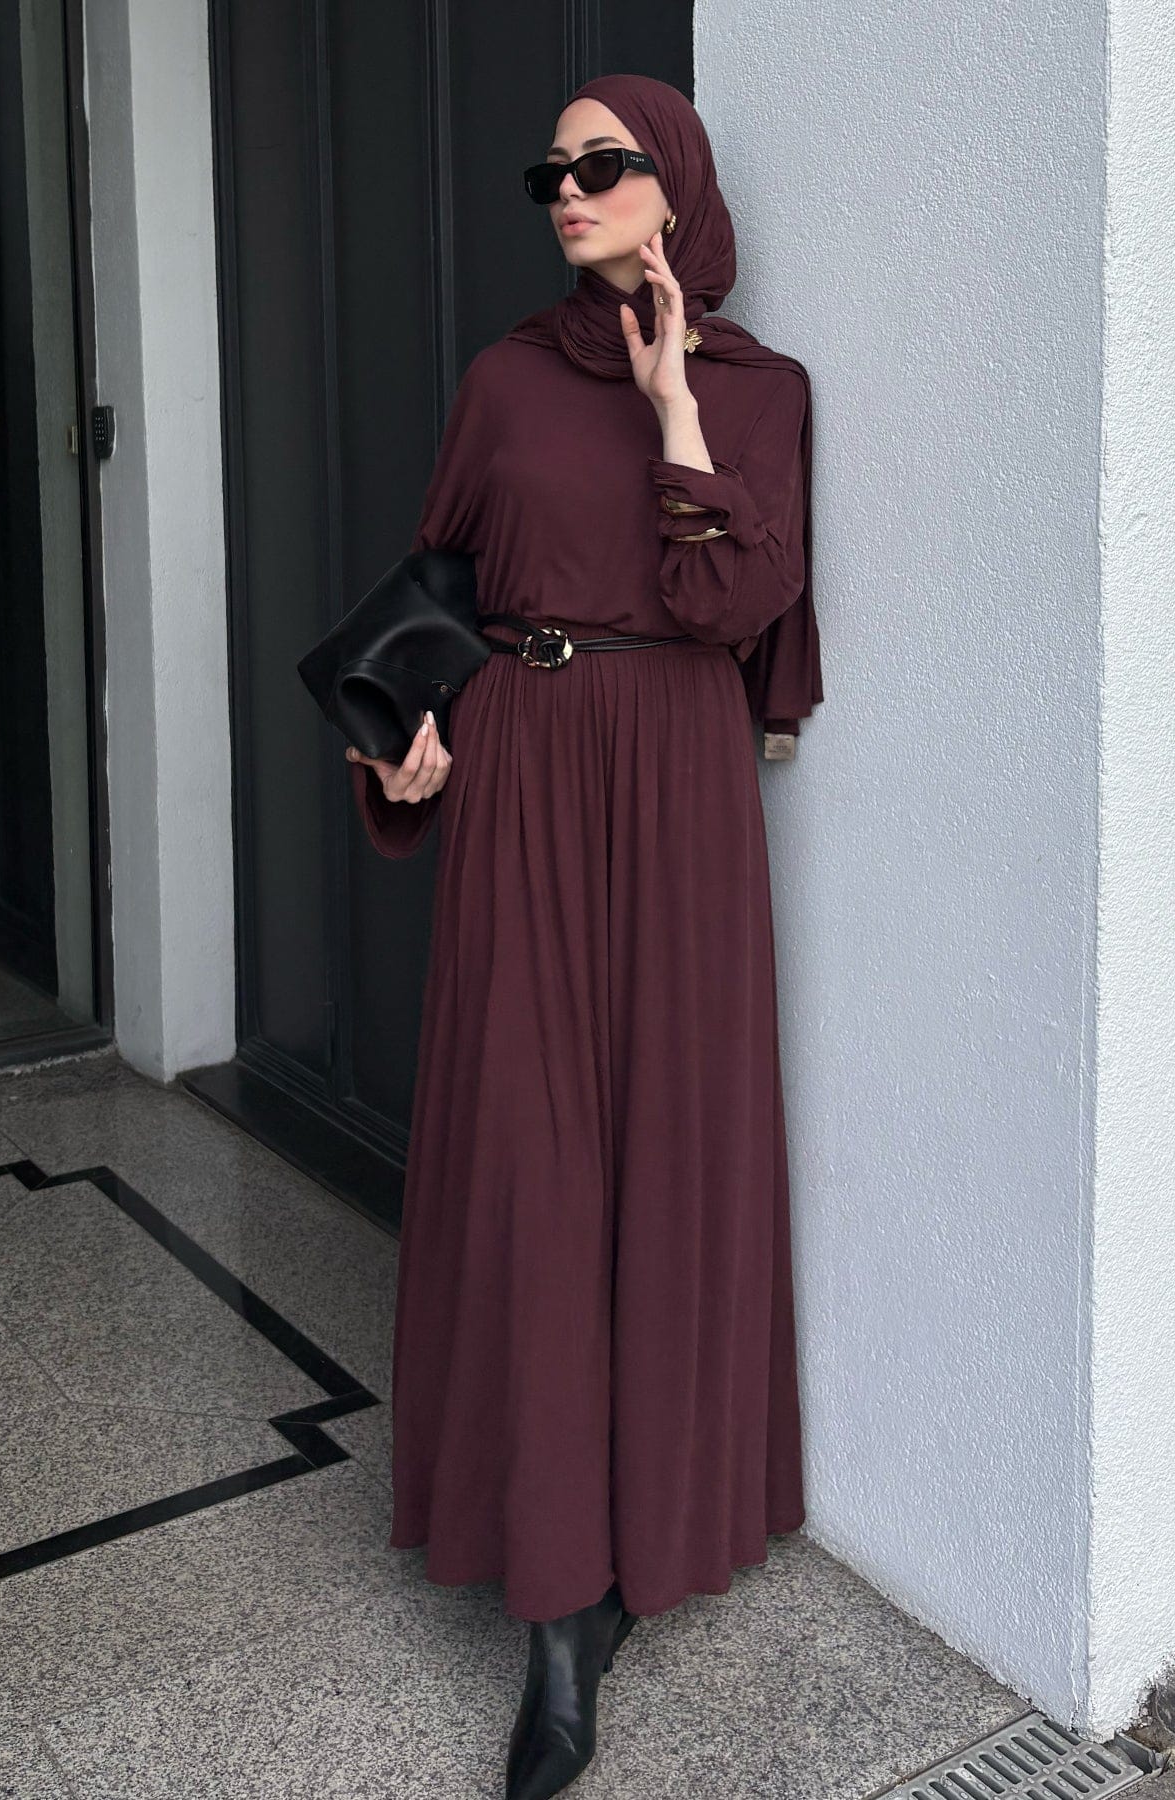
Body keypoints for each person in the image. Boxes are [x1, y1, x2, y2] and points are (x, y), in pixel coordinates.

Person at [345, 71, 823, 1800]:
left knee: (668, 1158)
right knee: (532, 1166)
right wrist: (399, 737)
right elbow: (439, 585)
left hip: (681, 791)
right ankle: (557, 1611)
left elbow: (737, 601)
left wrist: (676, 399)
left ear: (673, 185)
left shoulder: (762, 392)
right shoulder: (502, 382)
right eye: (551, 170)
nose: (567, 190)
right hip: (527, 775)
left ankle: (648, 1540)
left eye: (603, 165)